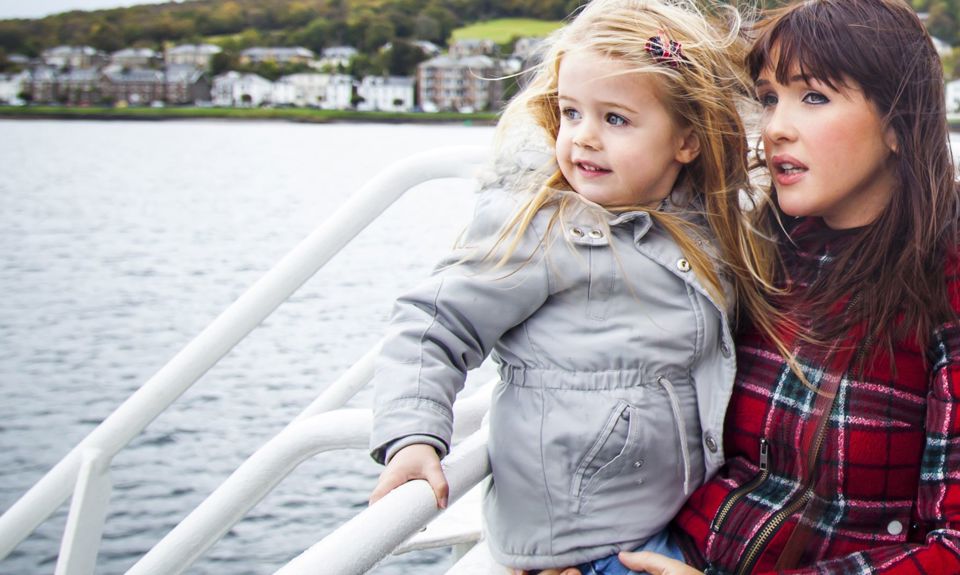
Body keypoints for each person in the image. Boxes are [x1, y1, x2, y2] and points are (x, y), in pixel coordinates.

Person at [537, 1, 960, 574]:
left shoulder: (945, 282)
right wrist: (573, 542)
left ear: (896, 120)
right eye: (768, 98)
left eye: (813, 97)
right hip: (659, 546)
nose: (776, 127)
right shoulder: (757, 247)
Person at [365, 0, 785, 571]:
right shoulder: (545, 227)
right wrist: (414, 437)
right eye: (570, 113)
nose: (583, 138)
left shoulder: (705, 224)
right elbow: (433, 323)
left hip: (665, 517)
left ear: (686, 141)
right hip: (580, 538)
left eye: (615, 119)